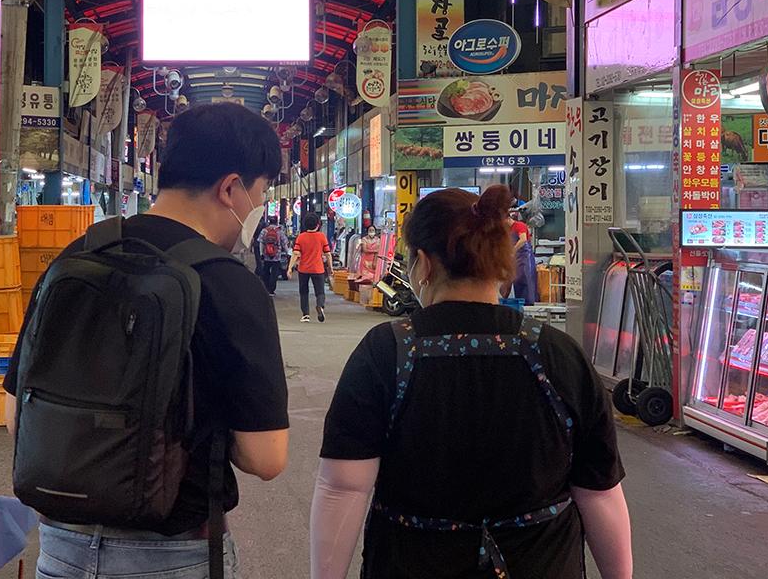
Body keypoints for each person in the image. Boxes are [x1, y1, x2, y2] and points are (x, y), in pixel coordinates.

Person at [3, 103, 290, 579]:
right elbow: (266, 457)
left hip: (60, 547)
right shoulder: (229, 283)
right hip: (173, 556)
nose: (256, 207)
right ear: (230, 188)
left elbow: (17, 418)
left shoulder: (77, 255)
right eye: (259, 193)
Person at [310, 186, 632, 579]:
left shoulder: (384, 352)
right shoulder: (558, 353)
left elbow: (344, 489)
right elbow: (599, 492)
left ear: (424, 264)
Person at [287, 213, 334, 323]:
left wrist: (290, 268)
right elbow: (327, 253)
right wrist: (330, 267)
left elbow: (295, 254)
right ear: (318, 225)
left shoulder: (301, 237)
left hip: (303, 269)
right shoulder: (321, 236)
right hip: (318, 269)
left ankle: (305, 314)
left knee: (304, 292)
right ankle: (320, 306)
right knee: (320, 292)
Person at [257, 215, 289, 295]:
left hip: (266, 254)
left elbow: (261, 242)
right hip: (276, 255)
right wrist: (287, 252)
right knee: (274, 273)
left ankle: (266, 288)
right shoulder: (279, 231)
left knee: (266, 271)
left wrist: (261, 253)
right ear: (276, 221)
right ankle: (272, 289)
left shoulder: (265, 230)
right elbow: (284, 243)